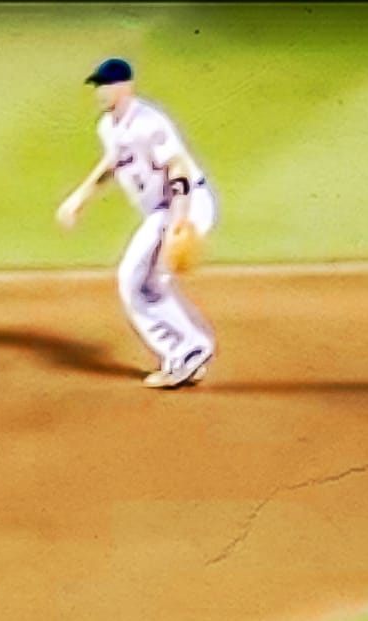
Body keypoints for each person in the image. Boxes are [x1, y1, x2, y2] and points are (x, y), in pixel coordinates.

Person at [55, 57, 216, 389]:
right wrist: (80, 198)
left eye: (107, 84)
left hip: (182, 203)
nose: (101, 91)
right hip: (164, 210)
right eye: (98, 85)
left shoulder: (150, 122)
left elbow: (178, 168)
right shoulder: (108, 126)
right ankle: (190, 349)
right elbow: (113, 163)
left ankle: (185, 353)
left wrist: (179, 220)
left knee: (135, 280)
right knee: (149, 284)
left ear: (125, 87)